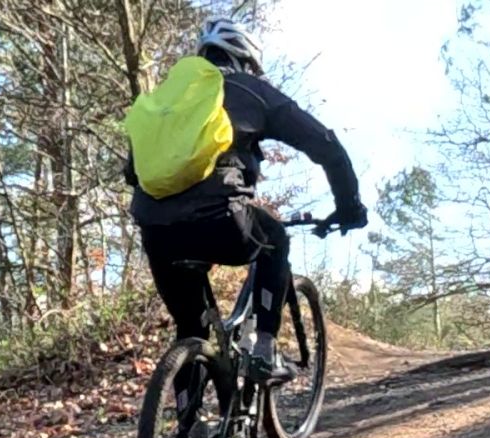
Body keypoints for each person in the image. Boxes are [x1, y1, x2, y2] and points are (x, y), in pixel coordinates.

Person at [127, 18, 368, 401]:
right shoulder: (249, 89)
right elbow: (325, 145)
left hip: (156, 231)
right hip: (220, 219)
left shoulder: (165, 100)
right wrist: (349, 207)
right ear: (244, 60)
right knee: (274, 238)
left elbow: (133, 171)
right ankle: (264, 348)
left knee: (190, 327)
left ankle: (188, 426)